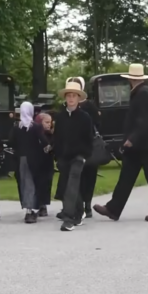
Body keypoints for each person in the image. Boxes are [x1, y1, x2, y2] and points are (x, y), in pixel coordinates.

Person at [93, 63, 148, 222]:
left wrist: (132, 139)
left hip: (143, 144)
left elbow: (145, 120)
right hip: (141, 144)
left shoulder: (143, 93)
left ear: (132, 78)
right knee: (126, 176)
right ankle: (113, 208)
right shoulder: (140, 92)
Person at [52, 79, 93, 231]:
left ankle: (68, 218)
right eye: (68, 95)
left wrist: (84, 155)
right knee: (66, 185)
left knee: (72, 185)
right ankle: (79, 212)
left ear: (78, 98)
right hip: (64, 157)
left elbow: (89, 139)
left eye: (74, 96)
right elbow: (57, 137)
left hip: (78, 157)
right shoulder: (61, 117)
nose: (71, 98)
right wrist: (57, 156)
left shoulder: (85, 118)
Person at [65, 76, 101, 219]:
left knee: (89, 177)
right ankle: (75, 206)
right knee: (75, 178)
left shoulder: (89, 107)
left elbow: (97, 124)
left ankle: (87, 204)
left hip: (88, 147)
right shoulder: (67, 108)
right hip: (73, 150)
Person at [8, 102, 43, 224]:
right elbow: (43, 141)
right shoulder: (36, 127)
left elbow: (11, 142)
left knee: (24, 183)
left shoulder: (17, 127)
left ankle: (29, 208)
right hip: (34, 158)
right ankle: (31, 209)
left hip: (21, 159)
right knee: (32, 183)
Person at [35, 112, 55, 217]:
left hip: (47, 164)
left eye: (50, 122)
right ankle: (38, 204)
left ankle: (44, 206)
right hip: (37, 163)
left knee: (46, 184)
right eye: (46, 122)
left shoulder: (51, 135)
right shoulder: (35, 134)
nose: (49, 124)